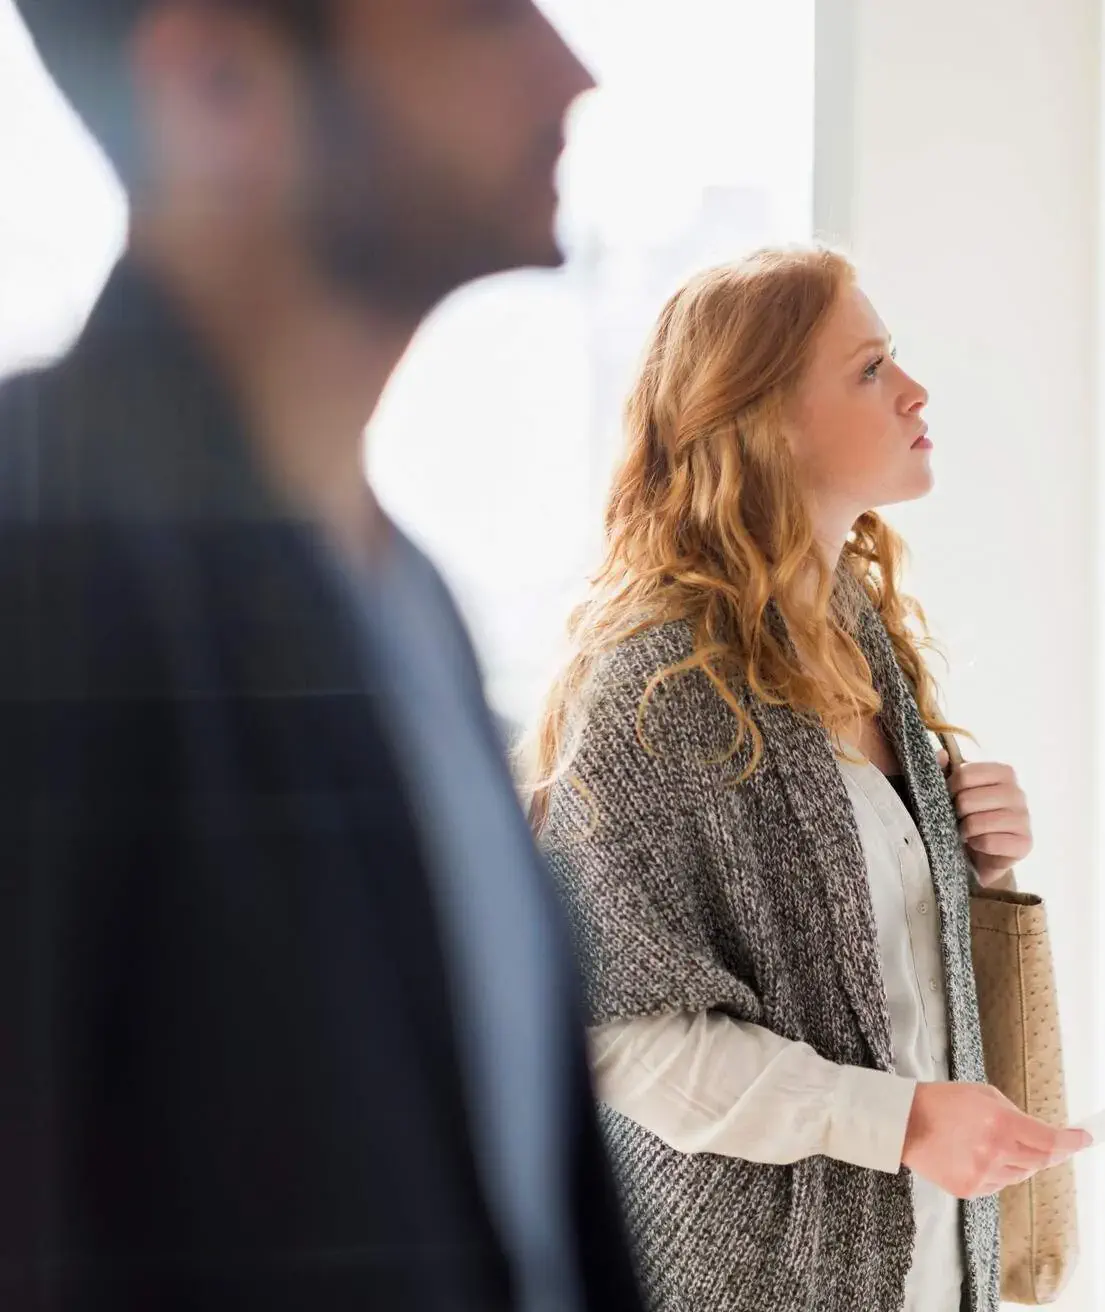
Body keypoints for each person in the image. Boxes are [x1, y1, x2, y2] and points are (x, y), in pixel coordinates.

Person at [0, 3, 641, 1309]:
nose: (571, 71)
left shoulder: (411, 612)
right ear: (220, 84)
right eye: (480, 16)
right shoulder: (36, 560)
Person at [526, 246, 1089, 1312]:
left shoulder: (857, 631)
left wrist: (976, 859)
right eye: (871, 369)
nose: (915, 391)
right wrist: (901, 1121)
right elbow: (623, 1035)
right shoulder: (660, 687)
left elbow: (878, 971)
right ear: (765, 420)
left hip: (916, 1272)